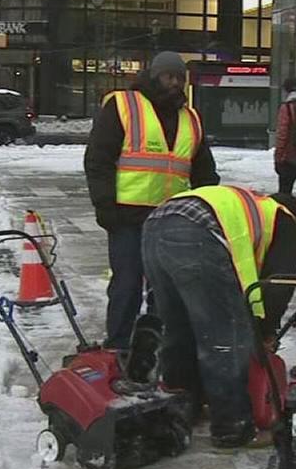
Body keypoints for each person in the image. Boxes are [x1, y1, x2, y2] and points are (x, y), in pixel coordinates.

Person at [142, 186, 296, 447]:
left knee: (178, 330)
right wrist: (265, 332)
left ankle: (184, 408)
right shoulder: (285, 220)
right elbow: (278, 286)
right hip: (196, 233)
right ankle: (232, 427)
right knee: (224, 338)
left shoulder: (244, 205)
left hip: (155, 225)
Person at [84, 51, 219, 355]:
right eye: (168, 77)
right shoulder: (124, 106)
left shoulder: (190, 118)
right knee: (127, 284)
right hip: (127, 216)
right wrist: (105, 206)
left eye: (179, 79)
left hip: (173, 219)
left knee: (166, 289)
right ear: (154, 76)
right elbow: (99, 159)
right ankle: (118, 345)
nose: (174, 84)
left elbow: (203, 171)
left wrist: (209, 207)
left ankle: (157, 348)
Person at [273, 77, 296, 197]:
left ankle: (286, 212)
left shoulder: (287, 107)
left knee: (284, 191)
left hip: (290, 156)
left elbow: (282, 134)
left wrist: (278, 157)